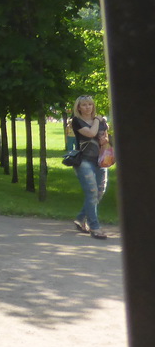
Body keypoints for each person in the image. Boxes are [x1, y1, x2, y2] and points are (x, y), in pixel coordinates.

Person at [70, 95, 109, 240]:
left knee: (100, 192)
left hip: (100, 161)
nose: (87, 107)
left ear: (93, 106)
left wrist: (105, 140)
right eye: (84, 105)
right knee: (92, 192)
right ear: (78, 107)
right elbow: (91, 133)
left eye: (90, 104)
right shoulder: (77, 121)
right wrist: (98, 120)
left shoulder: (102, 122)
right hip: (84, 161)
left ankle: (80, 219)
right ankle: (95, 227)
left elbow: (105, 138)